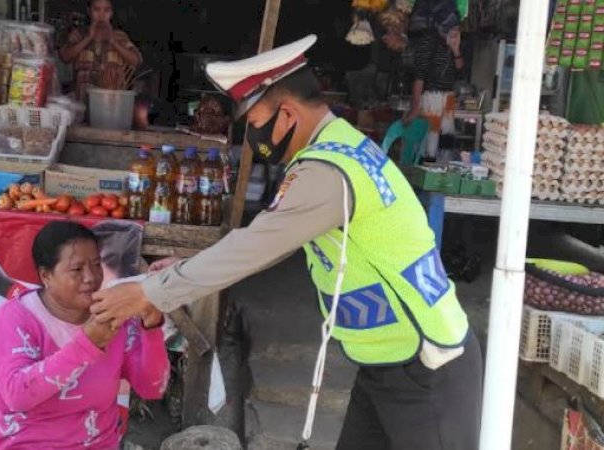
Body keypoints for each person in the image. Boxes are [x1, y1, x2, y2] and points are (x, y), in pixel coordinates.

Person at [90, 35, 482, 450]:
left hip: (424, 369)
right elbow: (271, 235)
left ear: (288, 113)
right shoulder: (341, 144)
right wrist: (184, 269)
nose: (253, 134)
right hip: (386, 361)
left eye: (256, 120)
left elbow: (255, 246)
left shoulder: (326, 171)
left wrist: (150, 291)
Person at [0, 221, 169, 450]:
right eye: (77, 269)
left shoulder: (113, 315)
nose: (90, 277)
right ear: (46, 276)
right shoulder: (17, 317)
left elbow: (152, 387)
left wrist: (152, 324)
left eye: (96, 265)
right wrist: (88, 344)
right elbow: (16, 396)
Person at [403, 0, 465, 160]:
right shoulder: (428, 41)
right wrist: (415, 108)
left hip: (448, 99)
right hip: (431, 100)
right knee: (429, 146)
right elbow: (419, 77)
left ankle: (440, 179)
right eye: (453, 27)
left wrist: (456, 50)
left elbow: (460, 71)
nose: (456, 30)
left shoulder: (452, 43)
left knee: (445, 145)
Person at [59, 0, 142, 102]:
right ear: (89, 11)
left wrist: (113, 42)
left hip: (113, 103)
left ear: (111, 13)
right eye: (96, 10)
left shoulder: (120, 36)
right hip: (82, 101)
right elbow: (65, 57)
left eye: (106, 10)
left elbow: (136, 61)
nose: (101, 15)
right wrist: (88, 38)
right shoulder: (78, 34)